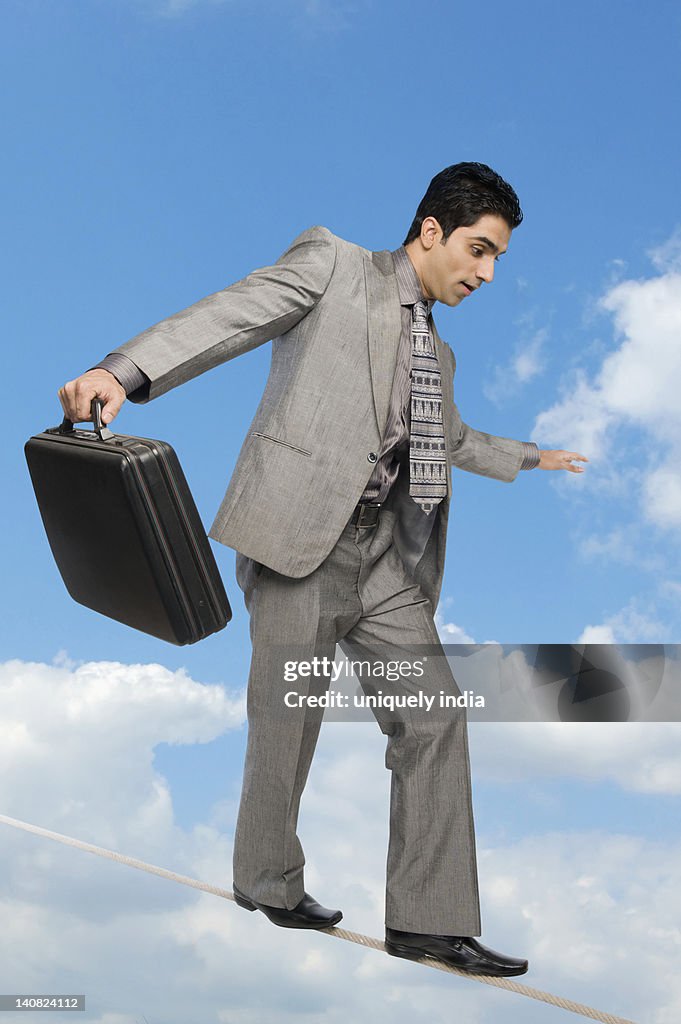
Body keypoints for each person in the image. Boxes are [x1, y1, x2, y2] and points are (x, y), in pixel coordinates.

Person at [58, 162, 587, 978]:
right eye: (479, 251)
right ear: (431, 231)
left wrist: (529, 456)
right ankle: (265, 881)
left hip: (387, 559)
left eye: (497, 261)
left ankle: (428, 921)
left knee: (437, 717)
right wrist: (118, 372)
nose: (485, 274)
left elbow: (453, 438)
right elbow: (229, 315)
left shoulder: (437, 360)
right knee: (289, 721)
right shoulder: (333, 264)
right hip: (297, 537)